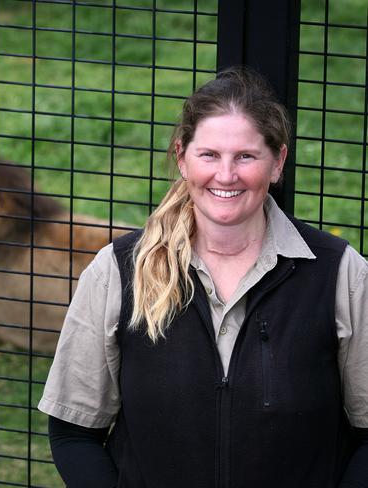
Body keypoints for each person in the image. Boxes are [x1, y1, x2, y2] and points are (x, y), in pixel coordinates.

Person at [38, 67, 368, 487]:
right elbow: (73, 432)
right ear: (182, 157)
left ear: (278, 162)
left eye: (246, 156)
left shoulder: (341, 273)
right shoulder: (117, 270)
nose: (226, 175)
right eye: (209, 155)